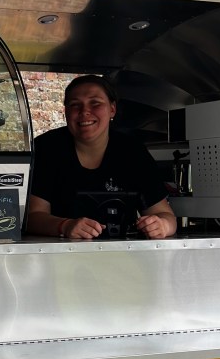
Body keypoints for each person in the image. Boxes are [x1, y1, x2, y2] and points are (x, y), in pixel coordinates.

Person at [26, 74, 176, 240]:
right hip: (57, 256)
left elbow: (165, 215)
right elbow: (32, 217)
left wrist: (161, 225)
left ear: (112, 109)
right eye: (75, 105)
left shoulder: (132, 151)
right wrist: (65, 226)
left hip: (124, 256)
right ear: (66, 112)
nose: (85, 112)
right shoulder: (47, 148)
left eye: (95, 103)